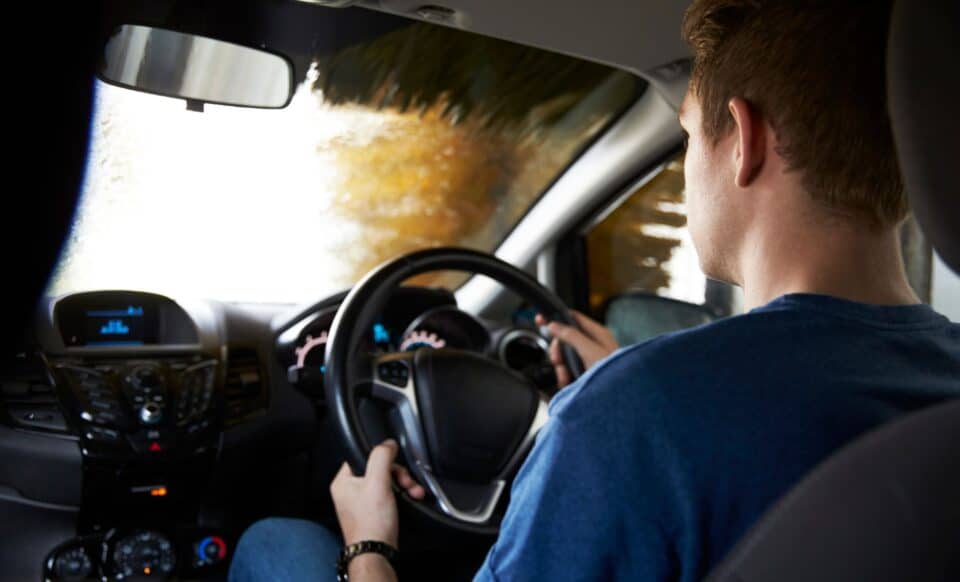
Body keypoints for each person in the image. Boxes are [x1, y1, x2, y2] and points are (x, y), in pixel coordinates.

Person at [229, 1, 960, 580]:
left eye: (685, 138)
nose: (686, 166)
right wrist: (626, 377)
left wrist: (371, 547)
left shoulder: (637, 413)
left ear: (743, 140)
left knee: (278, 541)